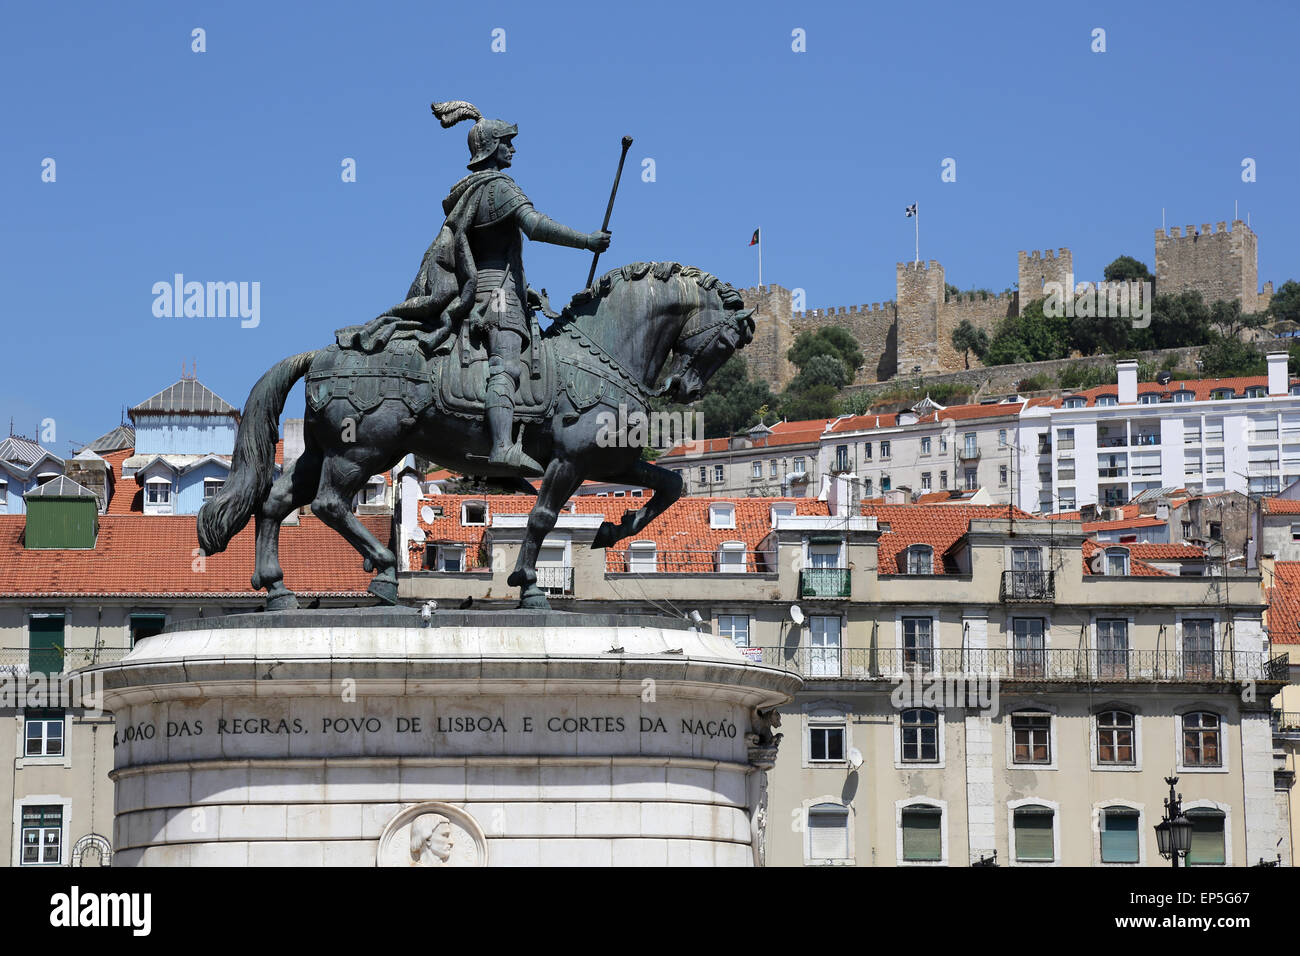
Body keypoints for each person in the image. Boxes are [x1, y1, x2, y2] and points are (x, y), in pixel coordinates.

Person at [380, 101, 610, 477]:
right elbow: (534, 227)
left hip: (501, 289)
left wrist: (527, 289)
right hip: (497, 296)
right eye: (508, 142)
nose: (513, 149)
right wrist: (587, 241)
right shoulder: (498, 188)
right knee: (506, 365)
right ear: (491, 147)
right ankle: (502, 445)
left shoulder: (472, 190)